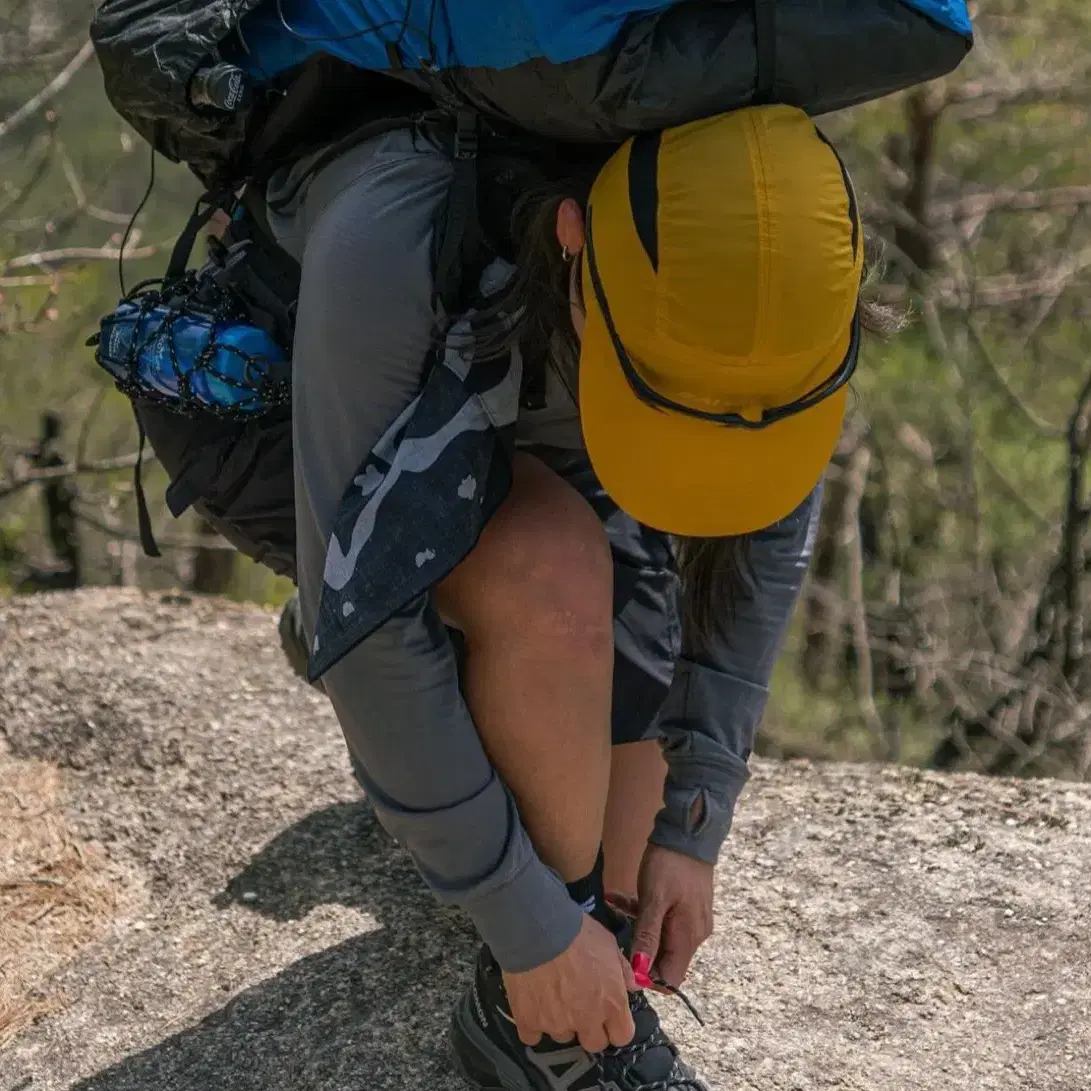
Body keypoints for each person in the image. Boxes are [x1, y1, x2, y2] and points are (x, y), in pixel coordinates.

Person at [263, 103, 895, 1091]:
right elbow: (371, 619)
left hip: (569, 421)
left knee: (626, 870)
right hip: (359, 439)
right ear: (572, 238)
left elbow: (759, 524)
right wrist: (528, 927)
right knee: (550, 572)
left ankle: (552, 837)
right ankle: (531, 1035)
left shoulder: (775, 262)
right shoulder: (392, 227)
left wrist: (695, 817)